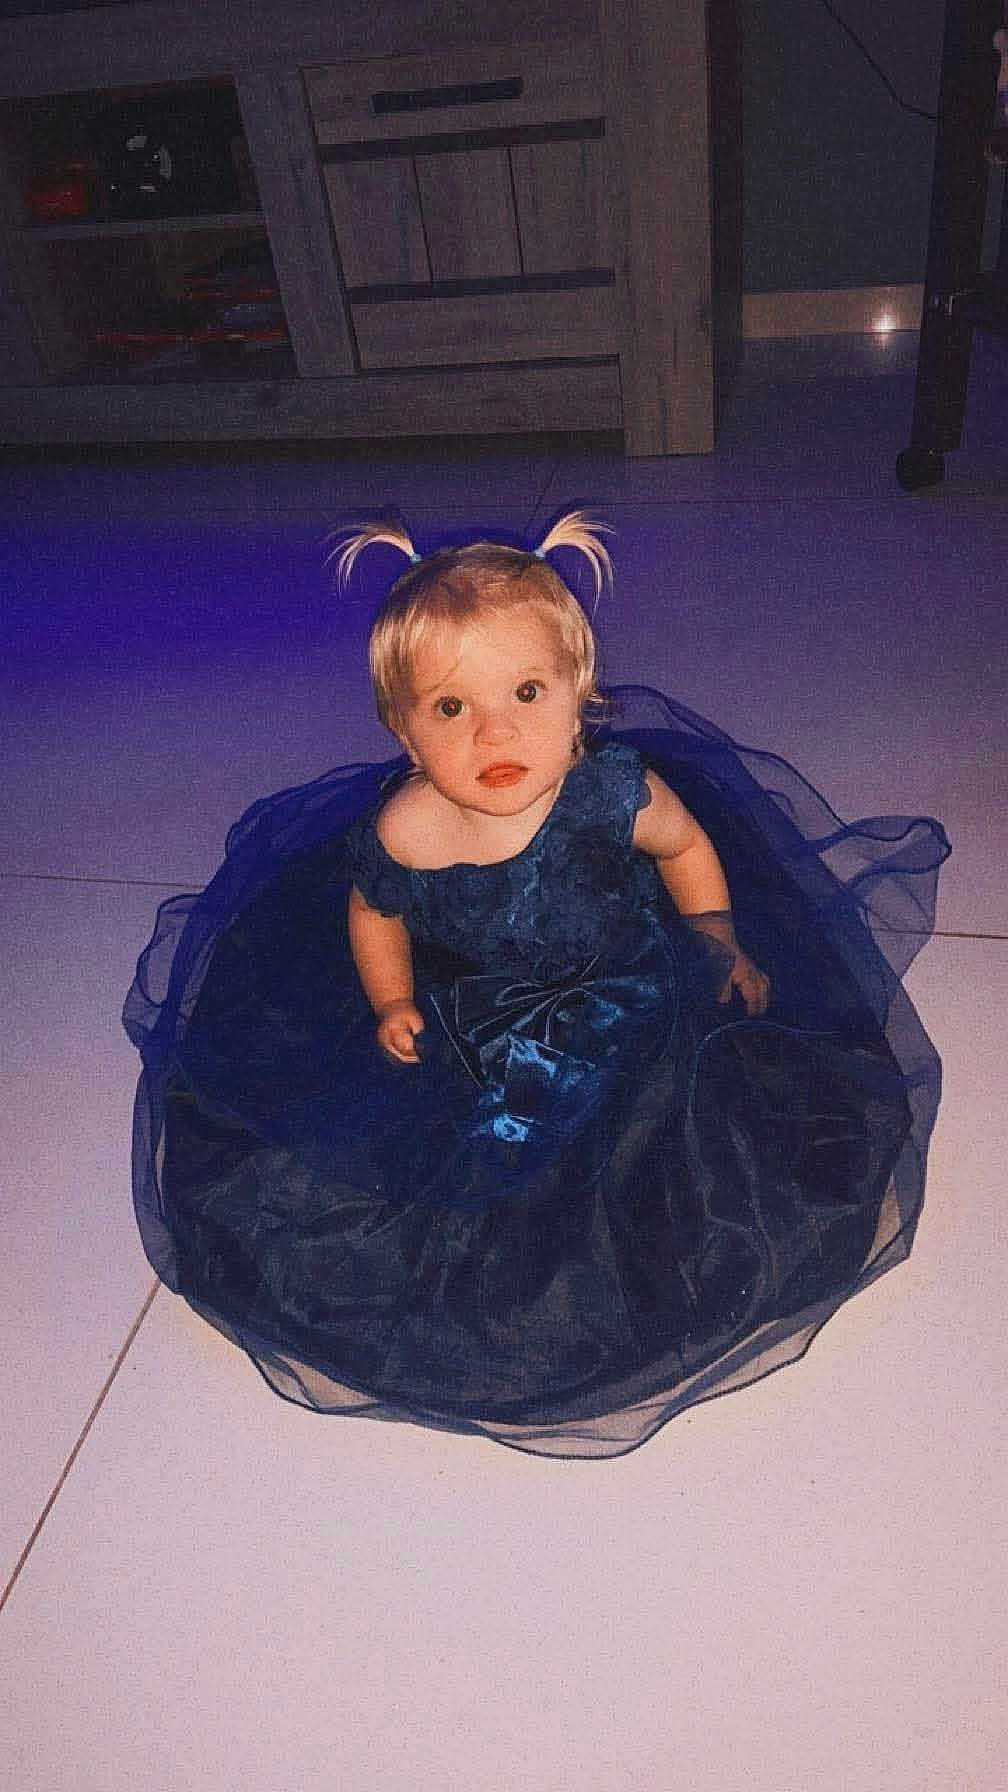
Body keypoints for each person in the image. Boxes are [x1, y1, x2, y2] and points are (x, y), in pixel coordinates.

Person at [124, 512, 948, 1458]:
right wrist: (391, 1000)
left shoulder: (611, 794)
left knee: (674, 1140)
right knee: (428, 1177)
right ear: (403, 732)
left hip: (628, 979)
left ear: (579, 700)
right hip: (472, 1002)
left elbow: (685, 848)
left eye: (526, 692)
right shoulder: (408, 828)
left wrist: (716, 936)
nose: (496, 731)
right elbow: (374, 913)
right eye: (449, 709)